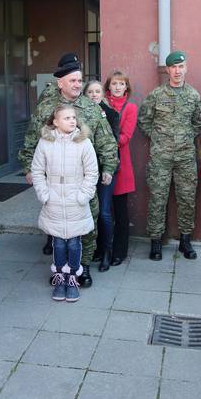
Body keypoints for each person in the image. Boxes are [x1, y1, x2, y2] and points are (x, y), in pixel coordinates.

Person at [19, 53, 118, 287]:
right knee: (58, 226)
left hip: (83, 180)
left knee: (87, 224)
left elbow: (106, 141)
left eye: (79, 80)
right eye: (72, 80)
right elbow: (32, 140)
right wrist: (28, 168)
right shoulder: (47, 109)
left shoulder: (92, 109)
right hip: (55, 180)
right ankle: (62, 269)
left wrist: (109, 167)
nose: (77, 85)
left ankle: (82, 269)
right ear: (60, 83)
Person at [138, 51, 201, 261]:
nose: (177, 71)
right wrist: (159, 139)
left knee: (187, 199)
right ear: (167, 70)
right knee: (158, 198)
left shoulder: (194, 95)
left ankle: (185, 241)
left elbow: (199, 122)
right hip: (160, 158)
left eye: (181, 66)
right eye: (173, 67)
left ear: (186, 68)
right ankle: (156, 242)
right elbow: (144, 121)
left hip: (185, 157)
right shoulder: (156, 95)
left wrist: (184, 138)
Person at [31, 105, 98, 302]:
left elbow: (92, 172)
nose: (72, 121)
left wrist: (83, 195)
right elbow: (37, 170)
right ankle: (60, 277)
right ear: (55, 122)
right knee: (59, 243)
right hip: (53, 199)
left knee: (75, 243)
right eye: (66, 118)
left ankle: (72, 279)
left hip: (75, 200)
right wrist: (44, 194)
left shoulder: (83, 142)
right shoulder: (45, 142)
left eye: (73, 118)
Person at [84, 79, 119, 271]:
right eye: (90, 92)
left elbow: (112, 142)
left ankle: (107, 251)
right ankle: (94, 249)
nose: (94, 95)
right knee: (90, 212)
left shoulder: (112, 114)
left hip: (106, 169)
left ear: (103, 95)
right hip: (86, 173)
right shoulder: (79, 115)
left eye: (97, 92)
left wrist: (107, 167)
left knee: (104, 212)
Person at [103, 71, 138, 266]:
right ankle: (103, 249)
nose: (117, 87)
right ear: (108, 86)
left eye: (121, 84)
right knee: (102, 211)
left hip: (120, 165)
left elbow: (126, 136)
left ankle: (120, 251)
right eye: (114, 83)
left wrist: (106, 143)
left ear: (126, 87)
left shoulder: (130, 108)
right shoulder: (101, 105)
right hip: (102, 165)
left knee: (120, 212)